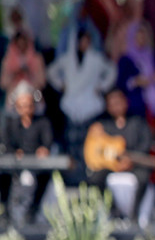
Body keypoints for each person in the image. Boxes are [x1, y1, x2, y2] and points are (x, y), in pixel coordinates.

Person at [84, 88, 152, 224]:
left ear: (125, 102)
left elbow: (146, 144)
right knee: (95, 178)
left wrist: (130, 160)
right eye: (112, 103)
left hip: (134, 163)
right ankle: (114, 213)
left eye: (118, 102)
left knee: (144, 177)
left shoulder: (138, 122)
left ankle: (134, 215)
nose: (116, 106)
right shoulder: (102, 124)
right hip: (111, 165)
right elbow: (94, 147)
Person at [47, 27, 116, 154]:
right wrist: (61, 85)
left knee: (90, 137)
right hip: (70, 105)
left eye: (87, 41)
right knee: (71, 138)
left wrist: (101, 86)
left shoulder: (96, 59)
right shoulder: (67, 59)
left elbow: (112, 71)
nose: (85, 44)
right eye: (82, 41)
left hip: (90, 106)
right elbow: (51, 71)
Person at [0, 82, 55, 225]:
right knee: (3, 175)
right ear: (16, 106)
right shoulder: (10, 123)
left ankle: (33, 209)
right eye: (21, 105)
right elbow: (6, 143)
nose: (25, 109)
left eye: (29, 105)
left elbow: (47, 142)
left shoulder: (43, 122)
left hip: (36, 164)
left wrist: (44, 149)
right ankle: (5, 211)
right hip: (16, 164)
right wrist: (14, 152)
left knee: (45, 176)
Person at [115, 21, 155, 121]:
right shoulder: (125, 59)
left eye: (143, 37)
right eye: (137, 37)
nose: (141, 40)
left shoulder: (152, 56)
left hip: (153, 105)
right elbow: (121, 83)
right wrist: (136, 82)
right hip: (134, 106)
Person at [0, 28, 45, 100]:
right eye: (19, 45)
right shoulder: (7, 61)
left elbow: (42, 82)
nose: (21, 48)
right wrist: (15, 74)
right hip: (14, 98)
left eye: (24, 44)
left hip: (33, 97)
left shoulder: (37, 59)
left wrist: (29, 73)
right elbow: (3, 84)